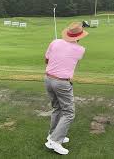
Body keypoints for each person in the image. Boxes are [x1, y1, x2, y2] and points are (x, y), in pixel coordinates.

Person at [44, 22, 88, 155]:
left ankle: (53, 135)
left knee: (57, 108)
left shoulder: (55, 42)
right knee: (69, 113)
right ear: (79, 36)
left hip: (48, 79)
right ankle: (55, 141)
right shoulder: (80, 49)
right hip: (62, 83)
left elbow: (46, 60)